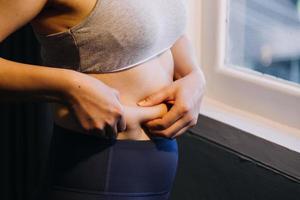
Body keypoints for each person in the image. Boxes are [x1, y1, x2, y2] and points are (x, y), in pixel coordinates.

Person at [0, 0, 206, 199]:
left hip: (161, 160)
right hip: (99, 162)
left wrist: (194, 75)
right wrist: (69, 86)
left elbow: (165, 23)